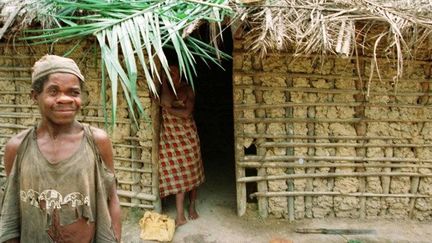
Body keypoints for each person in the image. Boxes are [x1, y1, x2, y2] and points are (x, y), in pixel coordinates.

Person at [0, 55, 121, 242]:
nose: (65, 99)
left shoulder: (97, 142)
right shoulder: (17, 148)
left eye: (73, 92)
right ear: (34, 96)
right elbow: (12, 213)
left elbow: (111, 198)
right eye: (54, 91)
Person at [157, 61, 205, 227]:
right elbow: (165, 101)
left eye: (174, 73)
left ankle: (191, 206)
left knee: (192, 172)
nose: (171, 76)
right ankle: (180, 216)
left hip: (187, 138)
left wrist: (167, 109)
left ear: (181, 74)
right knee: (178, 174)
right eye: (168, 73)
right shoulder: (164, 88)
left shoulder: (187, 89)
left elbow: (186, 113)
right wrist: (164, 81)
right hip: (171, 138)